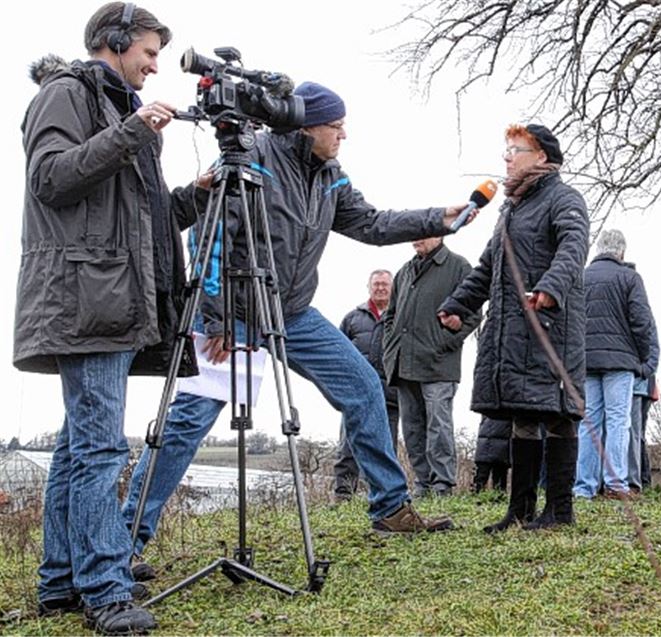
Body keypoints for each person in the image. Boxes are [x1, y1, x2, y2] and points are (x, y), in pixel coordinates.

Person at [122, 81, 472, 571]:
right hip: (238, 312)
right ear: (309, 127)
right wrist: (216, 314)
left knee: (363, 386)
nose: (343, 135)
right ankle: (125, 541)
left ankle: (390, 506)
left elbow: (371, 224)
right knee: (189, 422)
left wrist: (437, 217)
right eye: (336, 126)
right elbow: (209, 235)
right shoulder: (254, 159)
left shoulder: (330, 176)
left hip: (293, 312)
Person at [17, 3, 200, 633]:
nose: (154, 66)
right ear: (114, 42)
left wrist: (193, 197)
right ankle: (106, 591)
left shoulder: (119, 111)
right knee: (97, 449)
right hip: (86, 298)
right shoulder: (65, 93)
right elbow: (49, 178)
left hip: (112, 297)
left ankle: (61, 582)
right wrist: (133, 133)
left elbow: (141, 222)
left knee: (77, 447)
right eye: (148, 52)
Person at [438, 123, 589, 532]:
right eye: (505, 149)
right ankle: (519, 510)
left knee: (558, 414)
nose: (506, 157)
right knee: (523, 412)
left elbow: (574, 247)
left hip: (550, 324)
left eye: (515, 149)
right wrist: (457, 304)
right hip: (510, 329)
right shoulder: (511, 208)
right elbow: (489, 267)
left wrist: (550, 289)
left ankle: (559, 512)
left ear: (541, 157)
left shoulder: (564, 198)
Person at [384, 237, 480, 497]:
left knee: (438, 424)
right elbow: (390, 315)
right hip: (404, 363)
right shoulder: (404, 271)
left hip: (439, 364)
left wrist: (446, 342)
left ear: (439, 234)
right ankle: (423, 483)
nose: (416, 239)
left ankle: (442, 484)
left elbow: (474, 314)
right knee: (412, 427)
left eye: (422, 233)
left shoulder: (459, 267)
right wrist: (390, 348)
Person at [573, 230, 660, 499]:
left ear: (598, 249)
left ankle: (584, 487)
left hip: (587, 361)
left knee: (589, 424)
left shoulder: (580, 277)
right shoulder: (629, 278)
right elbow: (642, 322)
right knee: (619, 423)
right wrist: (647, 361)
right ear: (621, 252)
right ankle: (615, 484)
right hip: (620, 362)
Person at [333, 269, 400, 502]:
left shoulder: (400, 316)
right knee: (347, 447)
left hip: (390, 396)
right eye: (376, 284)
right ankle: (343, 495)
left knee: (386, 448)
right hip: (356, 395)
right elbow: (337, 353)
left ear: (392, 288)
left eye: (385, 284)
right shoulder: (352, 318)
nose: (380, 288)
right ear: (368, 287)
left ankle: (384, 497)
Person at [472, 417, 512, 493]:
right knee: (499, 481)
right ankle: (498, 498)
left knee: (480, 480)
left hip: (485, 444)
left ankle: (477, 497)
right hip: (502, 446)